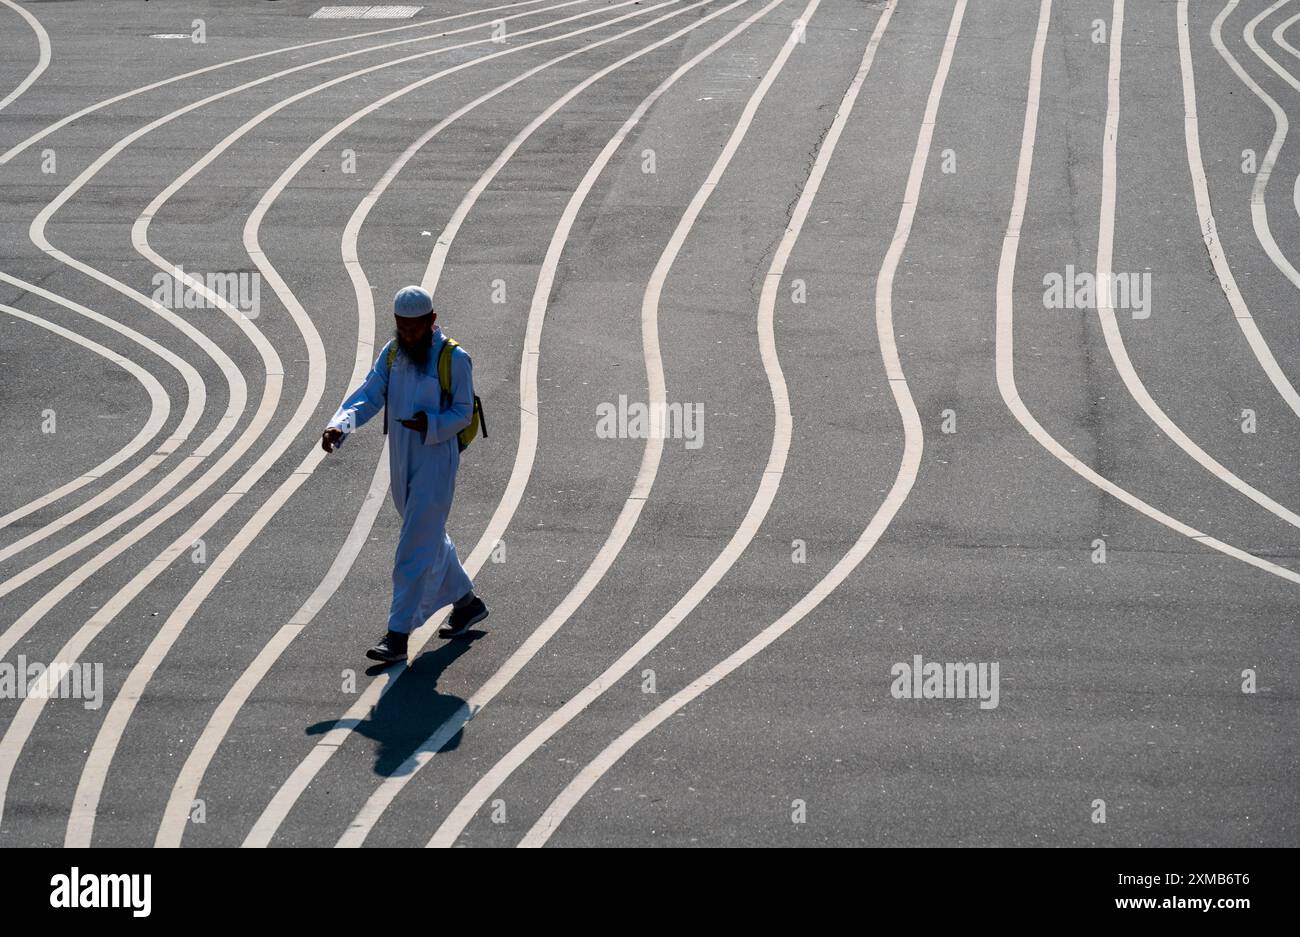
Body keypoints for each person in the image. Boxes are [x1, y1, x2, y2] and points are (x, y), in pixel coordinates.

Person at [321, 285, 488, 663]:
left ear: (432, 321)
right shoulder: (393, 352)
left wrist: (429, 423)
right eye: (403, 327)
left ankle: (397, 636)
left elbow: (463, 412)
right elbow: (369, 393)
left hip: (436, 458)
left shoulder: (454, 358)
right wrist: (340, 425)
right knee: (427, 534)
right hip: (399, 455)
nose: (409, 334)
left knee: (413, 547)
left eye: (416, 328)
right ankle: (466, 603)